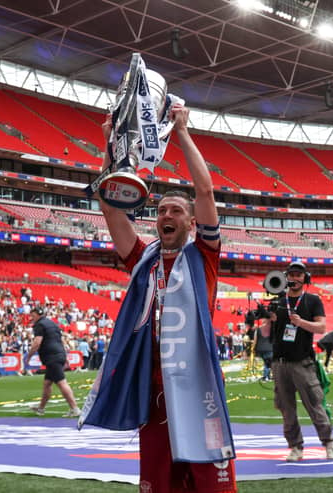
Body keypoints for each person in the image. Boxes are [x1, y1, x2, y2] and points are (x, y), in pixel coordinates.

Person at [80, 103, 236, 493]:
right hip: (153, 395)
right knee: (158, 486)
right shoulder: (142, 258)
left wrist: (182, 132)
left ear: (191, 221)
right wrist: (111, 148)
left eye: (176, 210)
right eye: (161, 209)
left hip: (199, 393)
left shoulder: (204, 256)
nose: (166, 214)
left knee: (213, 486)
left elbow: (205, 189)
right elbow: (110, 208)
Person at [259, 261, 333, 461]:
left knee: (314, 404)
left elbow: (321, 328)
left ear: (306, 278)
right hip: (279, 362)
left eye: (299, 275)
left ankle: (329, 442)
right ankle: (295, 446)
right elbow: (266, 333)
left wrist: (300, 322)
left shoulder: (312, 300)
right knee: (286, 407)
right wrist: (267, 318)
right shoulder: (278, 300)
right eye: (291, 274)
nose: (294, 278)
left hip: (302, 361)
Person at [26, 307, 81, 417]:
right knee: (47, 383)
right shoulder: (52, 323)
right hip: (58, 354)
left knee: (61, 382)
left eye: (32, 315)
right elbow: (60, 341)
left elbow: (37, 342)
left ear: (37, 315)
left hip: (51, 356)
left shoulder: (39, 325)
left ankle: (75, 408)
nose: (31, 318)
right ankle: (41, 408)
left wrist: (29, 356)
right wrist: (65, 356)